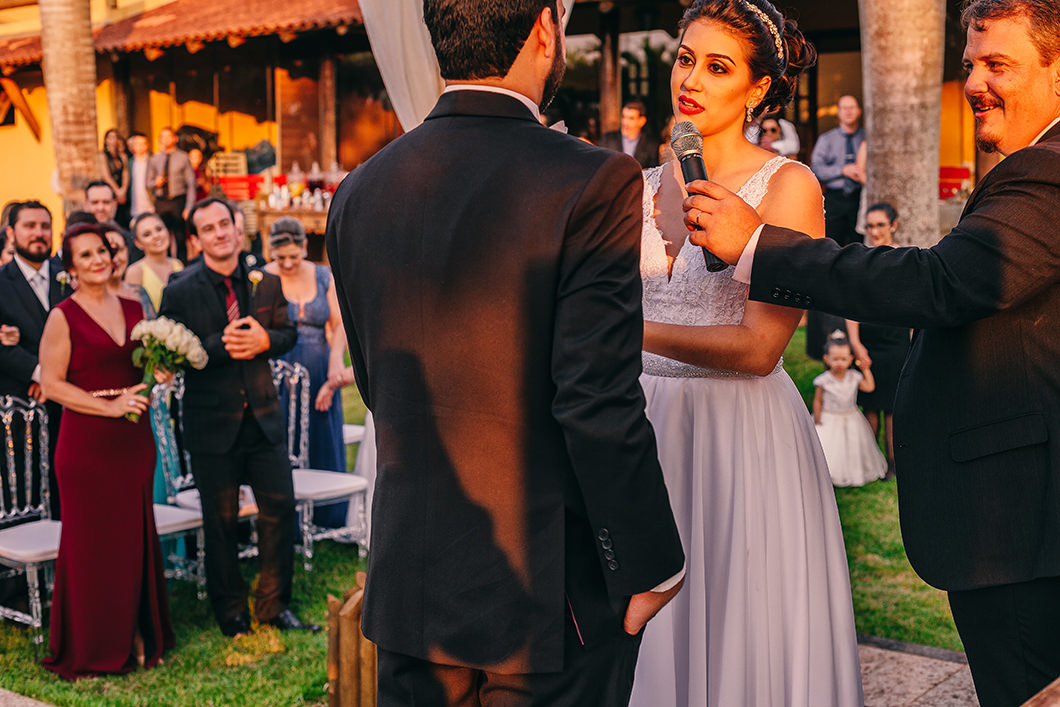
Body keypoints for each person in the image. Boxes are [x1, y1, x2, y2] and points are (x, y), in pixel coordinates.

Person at [684, 0, 1060, 702]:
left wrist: (759, 243)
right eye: (970, 64)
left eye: (997, 64)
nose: (975, 82)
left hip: (1020, 531)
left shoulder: (1049, 172)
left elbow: (939, 281)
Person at [326, 0, 685, 704]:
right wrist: (650, 559)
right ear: (547, 29)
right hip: (546, 590)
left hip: (413, 582)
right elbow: (595, 396)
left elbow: (374, 384)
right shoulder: (593, 180)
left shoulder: (358, 191)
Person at [628, 2, 861, 705]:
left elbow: (761, 347)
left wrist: (625, 335)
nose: (691, 79)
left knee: (737, 626)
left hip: (739, 434)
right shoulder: (635, 187)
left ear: (759, 89)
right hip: (641, 429)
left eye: (718, 66)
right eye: (685, 58)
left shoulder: (787, 186)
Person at [159, 197, 314, 638]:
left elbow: (288, 334)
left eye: (224, 223)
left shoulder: (264, 279)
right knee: (222, 523)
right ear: (196, 239)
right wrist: (216, 345)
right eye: (208, 229)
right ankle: (230, 613)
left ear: (236, 225)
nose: (219, 233)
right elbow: (172, 355)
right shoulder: (179, 289)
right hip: (212, 425)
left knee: (279, 511)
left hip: (264, 418)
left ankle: (273, 604)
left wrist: (267, 339)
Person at [39, 223, 174, 679]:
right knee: (93, 547)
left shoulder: (136, 306)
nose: (98, 259)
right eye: (86, 255)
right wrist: (109, 406)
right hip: (86, 446)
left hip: (133, 442)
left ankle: (137, 632)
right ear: (70, 267)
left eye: (102, 251)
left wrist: (159, 375)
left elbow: (138, 366)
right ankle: (96, 644)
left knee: (133, 538)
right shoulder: (63, 315)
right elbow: (52, 384)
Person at [264, 217, 347, 527]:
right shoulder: (261, 277)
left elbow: (339, 324)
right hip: (279, 369)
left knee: (321, 432)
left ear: (303, 248)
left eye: (293, 257)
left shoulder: (324, 275)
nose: (287, 263)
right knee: (285, 436)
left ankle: (328, 514)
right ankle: (290, 517)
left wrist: (336, 360)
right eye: (280, 257)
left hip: (318, 366)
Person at [0, 201, 67, 519]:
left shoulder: (69, 277)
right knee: (26, 496)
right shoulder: (1, 281)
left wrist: (57, 381)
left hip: (71, 403)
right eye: (30, 226)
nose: (39, 233)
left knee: (68, 489)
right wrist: (43, 375)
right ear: (11, 233)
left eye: (44, 226)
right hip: (21, 406)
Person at [844, 202, 910, 475]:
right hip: (867, 338)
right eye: (870, 226)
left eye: (880, 225)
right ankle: (870, 464)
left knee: (894, 406)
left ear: (893, 225)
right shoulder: (859, 259)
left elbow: (913, 305)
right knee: (869, 402)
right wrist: (856, 343)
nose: (874, 231)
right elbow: (850, 306)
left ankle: (894, 464)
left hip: (895, 339)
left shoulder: (906, 258)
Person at [813, 334, 888, 487]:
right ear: (827, 359)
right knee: (829, 448)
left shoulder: (854, 377)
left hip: (851, 416)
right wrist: (817, 417)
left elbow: (869, 387)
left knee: (852, 447)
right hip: (829, 417)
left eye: (843, 359)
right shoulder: (824, 380)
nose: (839, 363)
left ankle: (852, 471)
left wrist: (865, 369)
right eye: (835, 359)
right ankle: (828, 474)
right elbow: (818, 400)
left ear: (851, 359)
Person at [147, 127, 196, 262]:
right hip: (161, 201)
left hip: (177, 201)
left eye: (169, 136)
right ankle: (166, 266)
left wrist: (189, 206)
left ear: (175, 138)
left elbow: (191, 184)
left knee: (180, 238)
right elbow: (148, 183)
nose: (165, 139)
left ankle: (182, 266)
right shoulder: (155, 159)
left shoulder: (183, 158)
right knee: (162, 236)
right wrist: (155, 183)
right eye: (162, 136)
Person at [124, 213, 184, 318]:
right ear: (138, 243)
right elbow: (133, 315)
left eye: (159, 229)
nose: (156, 236)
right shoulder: (135, 271)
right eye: (147, 234)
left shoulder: (177, 264)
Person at [84, 180, 140, 264]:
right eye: (95, 202)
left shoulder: (129, 240)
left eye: (106, 202)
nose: (100, 208)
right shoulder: (76, 239)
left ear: (115, 205)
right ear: (85, 205)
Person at [600, 100, 661, 168]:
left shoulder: (651, 144)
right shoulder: (608, 139)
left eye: (631, 118)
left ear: (642, 121)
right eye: (623, 117)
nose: (625, 122)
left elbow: (653, 171)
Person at [99, 128, 130, 228]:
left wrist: (123, 190)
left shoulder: (122, 156)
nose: (113, 140)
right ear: (106, 140)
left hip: (122, 191)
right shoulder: (102, 156)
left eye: (115, 137)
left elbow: (125, 173)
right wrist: (117, 191)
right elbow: (106, 176)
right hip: (111, 190)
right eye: (110, 137)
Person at [127, 131, 154, 223]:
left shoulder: (153, 160)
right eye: (137, 143)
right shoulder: (129, 163)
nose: (140, 146)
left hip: (151, 205)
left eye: (143, 143)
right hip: (134, 207)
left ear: (147, 145)